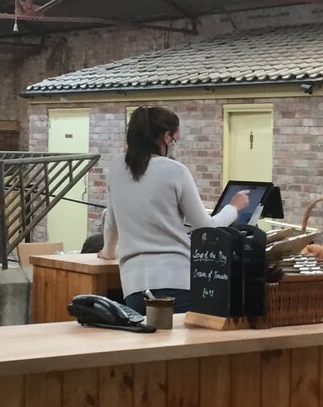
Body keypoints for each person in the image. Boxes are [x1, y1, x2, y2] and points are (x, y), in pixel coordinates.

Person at [99, 106, 249, 315]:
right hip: (175, 282)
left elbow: (111, 220)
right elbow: (205, 228)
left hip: (133, 287)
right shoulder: (175, 171)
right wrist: (233, 208)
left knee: (145, 336)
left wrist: (108, 252)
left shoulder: (116, 167)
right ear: (166, 137)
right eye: (175, 140)